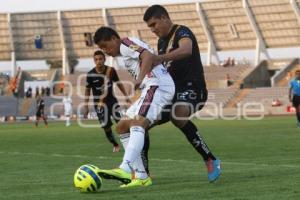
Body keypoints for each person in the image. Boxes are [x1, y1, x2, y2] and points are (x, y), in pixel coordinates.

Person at [143, 5, 221, 182]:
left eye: (154, 24)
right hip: (173, 93)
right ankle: (142, 173)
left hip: (194, 89)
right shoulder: (161, 42)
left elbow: (186, 50)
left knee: (177, 114)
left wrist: (159, 58)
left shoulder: (182, 32)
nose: (153, 30)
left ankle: (210, 159)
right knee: (141, 123)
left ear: (164, 18)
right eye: (150, 27)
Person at [93, 26, 175, 187]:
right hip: (150, 88)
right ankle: (141, 176)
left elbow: (148, 56)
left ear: (114, 38)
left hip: (158, 86)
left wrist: (140, 78)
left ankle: (125, 168)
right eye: (101, 49)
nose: (106, 51)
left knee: (138, 123)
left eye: (105, 46)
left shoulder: (125, 44)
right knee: (122, 126)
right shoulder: (124, 50)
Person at [84, 50, 131, 152]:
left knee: (121, 123)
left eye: (100, 59)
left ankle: (131, 143)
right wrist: (86, 106)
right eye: (96, 59)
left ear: (104, 59)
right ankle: (115, 144)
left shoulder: (111, 70)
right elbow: (87, 91)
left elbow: (119, 83)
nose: (98, 61)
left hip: (112, 102)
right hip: (99, 105)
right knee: (106, 126)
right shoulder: (90, 74)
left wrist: (126, 96)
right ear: (94, 60)